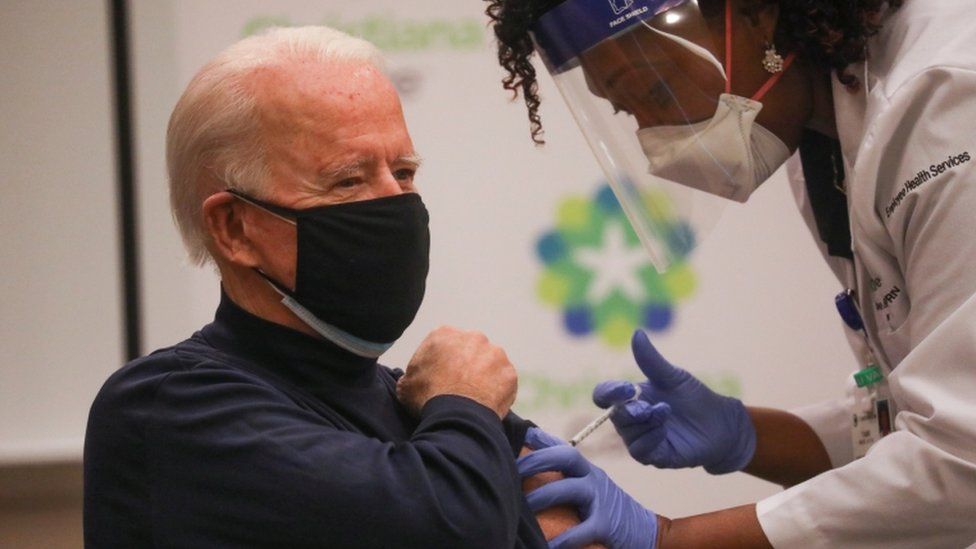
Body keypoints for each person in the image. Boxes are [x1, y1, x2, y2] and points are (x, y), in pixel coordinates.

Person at [83, 26, 618, 548]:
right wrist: (468, 402)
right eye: (348, 180)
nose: (396, 204)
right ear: (235, 228)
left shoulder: (411, 398)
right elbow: (456, 529)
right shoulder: (171, 408)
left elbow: (578, 532)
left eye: (404, 172)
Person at [486, 0, 976, 547]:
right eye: (627, 112)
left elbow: (962, 460)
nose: (654, 141)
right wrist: (745, 435)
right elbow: (908, 424)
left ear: (755, 16)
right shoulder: (824, 140)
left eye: (652, 89)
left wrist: (668, 538)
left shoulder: (945, 103)